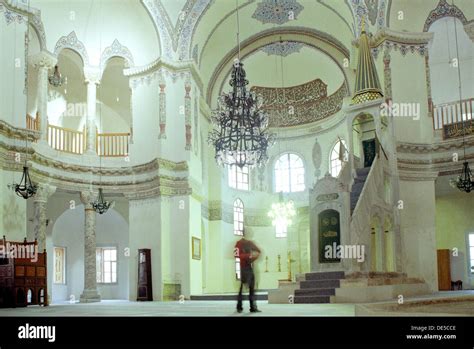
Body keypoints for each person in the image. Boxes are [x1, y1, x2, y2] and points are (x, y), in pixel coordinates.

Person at [234, 228, 261, 313]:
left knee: (251, 288)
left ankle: (252, 307)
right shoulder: (239, 243)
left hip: (249, 267)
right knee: (242, 288)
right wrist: (248, 256)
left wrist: (253, 258)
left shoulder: (250, 243)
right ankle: (239, 306)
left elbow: (258, 251)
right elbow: (236, 254)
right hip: (243, 267)